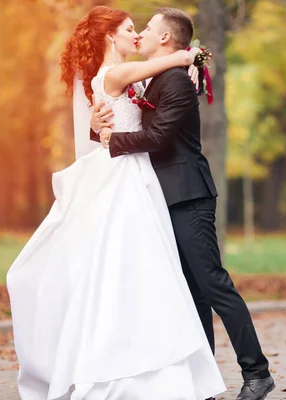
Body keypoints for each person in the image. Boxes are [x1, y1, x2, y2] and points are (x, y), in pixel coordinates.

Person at [6, 6, 226, 400]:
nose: (136, 35)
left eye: (139, 28)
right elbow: (176, 56)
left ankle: (142, 357)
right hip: (128, 177)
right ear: (111, 37)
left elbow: (130, 109)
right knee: (139, 268)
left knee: (138, 271)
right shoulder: (114, 73)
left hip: (137, 173)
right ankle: (132, 365)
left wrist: (190, 67)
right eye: (129, 29)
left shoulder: (114, 77)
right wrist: (190, 58)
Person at [91, 8, 275, 400]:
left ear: (164, 40)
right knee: (192, 294)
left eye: (147, 28)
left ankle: (257, 373)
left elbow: (157, 138)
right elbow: (129, 122)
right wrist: (101, 127)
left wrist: (112, 142)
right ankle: (202, 383)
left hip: (188, 195)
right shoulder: (162, 75)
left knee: (213, 284)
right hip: (161, 196)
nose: (139, 33)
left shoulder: (174, 80)